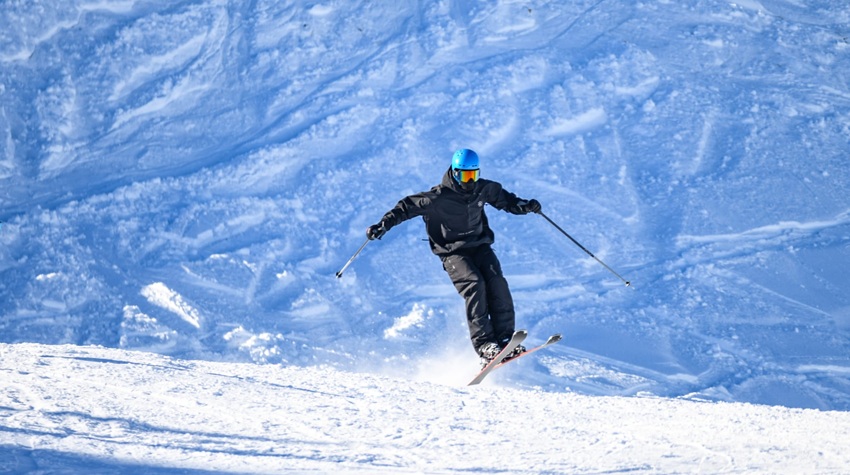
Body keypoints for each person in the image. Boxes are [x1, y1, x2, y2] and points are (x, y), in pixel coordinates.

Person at [367, 149, 541, 367]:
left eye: (473, 176)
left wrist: (524, 206)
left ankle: (505, 338)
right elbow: (405, 207)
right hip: (453, 253)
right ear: (455, 173)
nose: (469, 182)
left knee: (497, 283)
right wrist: (384, 225)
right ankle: (486, 345)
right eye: (465, 176)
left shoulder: (483, 189)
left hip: (480, 246)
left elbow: (506, 201)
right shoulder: (437, 198)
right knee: (475, 284)